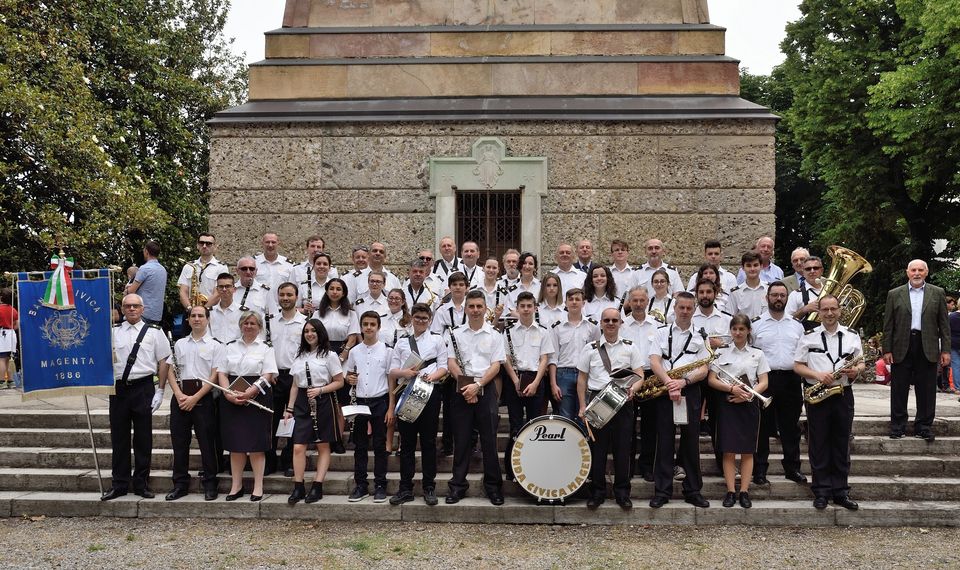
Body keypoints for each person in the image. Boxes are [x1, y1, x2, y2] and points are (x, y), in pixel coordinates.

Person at [794, 294, 864, 510]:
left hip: (843, 393)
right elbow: (797, 365)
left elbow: (861, 362)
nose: (830, 313)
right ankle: (821, 491)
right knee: (819, 443)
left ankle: (841, 491)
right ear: (819, 312)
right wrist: (817, 375)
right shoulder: (808, 336)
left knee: (841, 442)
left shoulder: (851, 335)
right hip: (818, 394)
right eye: (825, 309)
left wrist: (856, 370)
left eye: (833, 309)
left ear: (840, 310)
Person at [644, 292, 711, 509]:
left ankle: (693, 490)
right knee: (664, 441)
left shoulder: (701, 335)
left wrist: (683, 382)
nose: (685, 311)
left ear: (694, 309)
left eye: (689, 308)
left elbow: (704, 368)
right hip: (665, 390)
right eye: (681, 307)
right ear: (674, 308)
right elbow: (654, 361)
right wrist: (669, 383)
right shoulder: (661, 332)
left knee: (691, 442)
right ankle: (662, 491)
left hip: (689, 390)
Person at [101, 294, 171, 501]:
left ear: (142, 309)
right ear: (122, 309)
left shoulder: (154, 332)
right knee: (119, 438)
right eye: (128, 306)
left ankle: (141, 483)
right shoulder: (112, 332)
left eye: (135, 306)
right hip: (119, 389)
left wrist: (160, 390)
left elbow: (164, 362)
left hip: (143, 387)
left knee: (143, 438)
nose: (131, 309)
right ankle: (119, 484)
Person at [578, 308, 644, 509]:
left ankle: (622, 493)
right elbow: (582, 379)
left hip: (623, 402)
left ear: (621, 323)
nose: (610, 323)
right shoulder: (589, 348)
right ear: (600, 323)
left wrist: (633, 389)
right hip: (597, 400)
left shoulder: (630, 347)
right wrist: (582, 406)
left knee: (623, 450)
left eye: (615, 320)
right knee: (597, 450)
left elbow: (640, 375)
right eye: (606, 320)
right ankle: (597, 493)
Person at [445, 290, 505, 505]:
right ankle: (457, 487)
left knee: (489, 441)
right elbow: (451, 363)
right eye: (471, 306)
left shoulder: (495, 335)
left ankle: (493, 488)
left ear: (485, 309)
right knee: (461, 441)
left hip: (485, 389)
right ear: (466, 309)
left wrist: (477, 386)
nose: (475, 310)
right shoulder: (455, 334)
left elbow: (496, 366)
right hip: (461, 390)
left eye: (479, 306)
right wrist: (466, 387)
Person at [883, 259, 951, 441]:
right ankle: (898, 426)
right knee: (899, 388)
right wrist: (887, 349)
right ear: (907, 272)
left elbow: (944, 325)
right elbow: (888, 325)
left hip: (927, 345)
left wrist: (946, 350)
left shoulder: (937, 293)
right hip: (901, 346)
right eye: (913, 270)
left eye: (921, 270)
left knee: (927, 388)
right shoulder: (894, 294)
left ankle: (924, 426)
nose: (917, 273)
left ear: (926, 272)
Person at [389, 303, 449, 506]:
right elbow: (392, 370)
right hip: (407, 392)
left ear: (430, 320)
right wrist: (404, 373)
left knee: (428, 442)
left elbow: (443, 367)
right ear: (411, 319)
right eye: (417, 317)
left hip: (429, 392)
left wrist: (431, 377)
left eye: (424, 318)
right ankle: (405, 487)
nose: (421, 321)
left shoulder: (437, 340)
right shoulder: (402, 342)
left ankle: (429, 486)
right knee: (406, 443)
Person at [707, 315, 770, 509]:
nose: (738, 332)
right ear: (731, 330)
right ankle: (730, 491)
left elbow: (764, 381)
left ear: (748, 331)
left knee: (747, 451)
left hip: (749, 404)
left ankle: (744, 491)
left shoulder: (758, 354)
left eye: (742, 329)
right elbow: (712, 379)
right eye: (734, 329)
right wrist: (732, 389)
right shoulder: (721, 353)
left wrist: (749, 395)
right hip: (728, 404)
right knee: (728, 450)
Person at [216, 311, 277, 502]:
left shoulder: (266, 348)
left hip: (257, 396)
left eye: (253, 323)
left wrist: (251, 392)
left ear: (259, 327)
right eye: (245, 323)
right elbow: (222, 373)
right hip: (232, 396)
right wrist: (228, 394)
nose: (249, 326)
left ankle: (258, 486)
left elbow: (268, 374)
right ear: (240, 325)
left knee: (257, 445)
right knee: (236, 445)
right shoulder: (229, 346)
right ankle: (236, 486)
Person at [164, 305, 223, 501]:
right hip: (180, 397)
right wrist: (178, 394)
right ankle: (180, 484)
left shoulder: (216, 345)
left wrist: (195, 398)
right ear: (188, 320)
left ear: (208, 319)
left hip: (203, 398)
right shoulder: (179, 344)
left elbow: (214, 376)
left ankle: (210, 483)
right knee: (179, 443)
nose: (197, 319)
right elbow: (170, 371)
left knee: (207, 443)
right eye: (193, 316)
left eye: (201, 316)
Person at [752, 281, 808, 486]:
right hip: (765, 380)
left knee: (790, 427)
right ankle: (759, 470)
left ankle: (792, 469)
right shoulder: (756, 325)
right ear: (767, 297)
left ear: (787, 298)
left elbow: (803, 355)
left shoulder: (797, 325)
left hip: (791, 380)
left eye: (782, 295)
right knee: (762, 427)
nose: (778, 299)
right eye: (774, 295)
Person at [283, 319, 345, 504]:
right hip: (303, 402)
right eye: (306, 331)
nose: (309, 334)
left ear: (320, 333)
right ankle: (298, 486)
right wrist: (289, 408)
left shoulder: (330, 355)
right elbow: (295, 385)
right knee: (298, 446)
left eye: (313, 331)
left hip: (322, 400)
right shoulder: (299, 355)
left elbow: (339, 382)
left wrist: (320, 390)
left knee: (323, 445)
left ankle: (317, 486)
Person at [502, 292, 555, 480]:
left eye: (529, 306)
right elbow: (506, 359)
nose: (525, 309)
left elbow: (544, 359)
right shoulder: (508, 332)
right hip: (515, 379)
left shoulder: (543, 331)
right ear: (517, 308)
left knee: (535, 427)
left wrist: (536, 383)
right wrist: (515, 381)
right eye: (522, 306)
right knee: (515, 426)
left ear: (535, 308)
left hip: (535, 380)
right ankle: (512, 470)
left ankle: (533, 468)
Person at [344, 311, 394, 503]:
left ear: (378, 327)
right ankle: (361, 485)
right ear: (361, 327)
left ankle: (380, 484)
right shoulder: (354, 351)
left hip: (379, 401)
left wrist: (390, 407)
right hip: (360, 402)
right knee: (360, 446)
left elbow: (390, 380)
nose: (369, 327)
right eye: (365, 324)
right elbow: (349, 375)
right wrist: (350, 379)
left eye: (372, 324)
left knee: (380, 446)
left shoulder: (387, 351)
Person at [619, 286, 658, 481]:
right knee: (627, 425)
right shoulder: (622, 325)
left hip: (651, 377)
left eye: (642, 300)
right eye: (634, 300)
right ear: (629, 302)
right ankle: (627, 466)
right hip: (629, 376)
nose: (638, 304)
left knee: (650, 425)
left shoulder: (657, 325)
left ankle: (647, 466)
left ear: (648, 301)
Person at [268, 282, 307, 476]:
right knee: (271, 419)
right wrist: (269, 371)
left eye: (289, 295)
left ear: (296, 297)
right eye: (282, 294)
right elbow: (266, 348)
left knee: (294, 420)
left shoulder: (305, 322)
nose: (285, 298)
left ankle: (290, 460)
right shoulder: (270, 321)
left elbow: (307, 351)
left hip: (295, 378)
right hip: (274, 377)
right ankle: (269, 460)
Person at [548, 288, 600, 420]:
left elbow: (597, 354)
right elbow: (553, 358)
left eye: (577, 299)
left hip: (586, 374)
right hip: (564, 374)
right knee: (566, 417)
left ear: (583, 303)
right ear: (565, 303)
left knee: (585, 416)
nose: (574, 302)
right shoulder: (556, 327)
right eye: (571, 299)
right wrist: (553, 384)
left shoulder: (593, 326)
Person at [313, 278, 360, 407]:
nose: (335, 292)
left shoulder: (351, 314)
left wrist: (342, 357)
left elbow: (352, 338)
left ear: (344, 293)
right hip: (323, 353)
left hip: (343, 353)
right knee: (325, 391)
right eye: (332, 289)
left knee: (341, 397)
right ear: (326, 291)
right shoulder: (317, 313)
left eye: (338, 289)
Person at [175, 233, 228, 318]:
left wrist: (203, 311)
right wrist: (190, 309)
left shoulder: (221, 267)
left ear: (215, 247)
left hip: (212, 313)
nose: (204, 246)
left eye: (208, 244)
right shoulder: (188, 266)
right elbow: (183, 292)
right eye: (201, 243)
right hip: (190, 313)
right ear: (197, 245)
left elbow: (218, 293)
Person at [125, 240, 167, 324]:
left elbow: (131, 291)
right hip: (157, 314)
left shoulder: (144, 269)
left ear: (146, 252)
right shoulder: (163, 270)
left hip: (143, 313)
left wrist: (127, 288)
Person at [785, 255, 824, 330]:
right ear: (803, 272)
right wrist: (804, 310)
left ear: (822, 270)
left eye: (816, 268)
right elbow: (787, 321)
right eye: (808, 269)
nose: (812, 271)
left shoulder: (833, 292)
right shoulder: (795, 294)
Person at [726, 252, 768, 319]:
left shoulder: (769, 289)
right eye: (748, 266)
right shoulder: (735, 293)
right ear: (743, 268)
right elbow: (729, 318)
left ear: (761, 266)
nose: (752, 269)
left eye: (755, 265)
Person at [234, 257, 270, 328]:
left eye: (251, 269)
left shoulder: (265, 292)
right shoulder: (230, 291)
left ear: (256, 271)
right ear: (237, 271)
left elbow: (273, 317)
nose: (248, 272)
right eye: (244, 269)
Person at [209, 273, 241, 343]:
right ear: (217, 289)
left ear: (234, 289)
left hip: (236, 349)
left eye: (228, 286)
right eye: (221, 286)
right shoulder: (210, 312)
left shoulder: (242, 312)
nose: (224, 289)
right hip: (215, 349)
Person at [0, 289, 18, 389]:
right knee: (9, 359)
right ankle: (11, 381)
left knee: (2, 359)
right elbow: (17, 324)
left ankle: (2, 381)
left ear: (1, 297)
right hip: (11, 334)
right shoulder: (13, 310)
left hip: (2, 334)